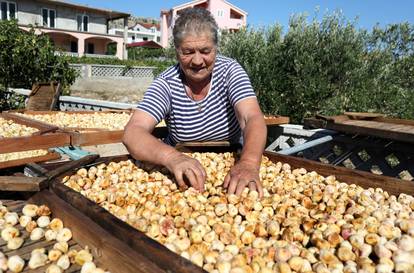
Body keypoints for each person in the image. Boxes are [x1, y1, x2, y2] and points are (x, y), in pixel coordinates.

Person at [123, 8, 267, 197]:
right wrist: (172, 158)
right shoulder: (166, 83)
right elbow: (133, 132)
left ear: (216, 49)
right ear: (176, 51)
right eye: (188, 52)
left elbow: (252, 118)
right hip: (180, 167)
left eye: (205, 51)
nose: (198, 61)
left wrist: (248, 163)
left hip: (233, 160)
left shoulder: (230, 72)